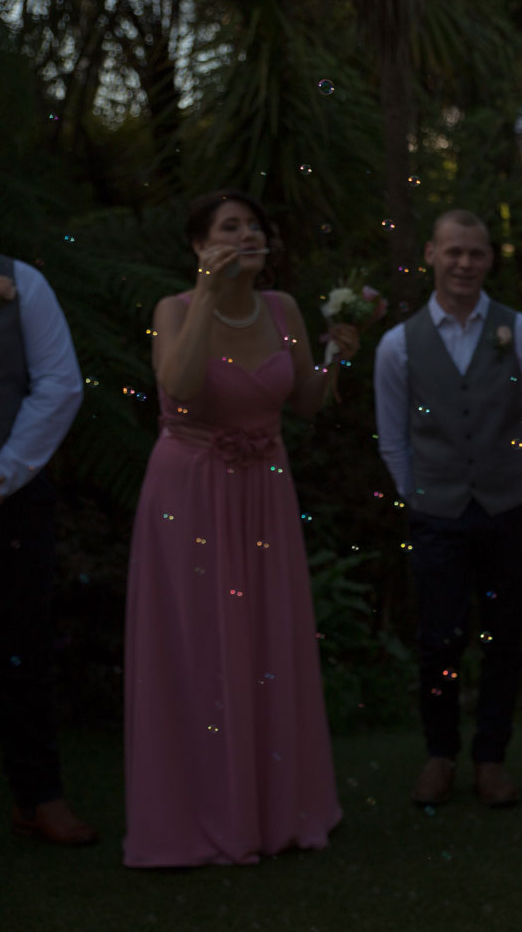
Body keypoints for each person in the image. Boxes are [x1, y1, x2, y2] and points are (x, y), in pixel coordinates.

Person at [124, 190, 354, 866]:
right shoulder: (173, 310)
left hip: (264, 493)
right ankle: (200, 808)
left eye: (256, 225)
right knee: (197, 642)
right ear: (199, 246)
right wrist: (204, 293)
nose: (249, 234)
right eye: (231, 228)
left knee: (265, 635)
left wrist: (337, 356)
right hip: (190, 494)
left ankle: (276, 804)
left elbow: (307, 403)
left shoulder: (282, 310)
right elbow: (182, 385)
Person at [373, 209, 522, 809]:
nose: (465, 263)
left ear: (489, 260)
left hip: (510, 508)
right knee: (438, 640)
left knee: (505, 639)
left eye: (475, 253)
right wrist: (419, 495)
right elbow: (392, 435)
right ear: (431, 254)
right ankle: (440, 755)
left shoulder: (520, 332)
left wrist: (512, 480)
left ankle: (492, 759)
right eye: (454, 252)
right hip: (436, 513)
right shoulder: (397, 346)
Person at [0, 251, 96, 847]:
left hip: (10, 497)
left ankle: (38, 797)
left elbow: (60, 384)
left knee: (20, 649)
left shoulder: (22, 280)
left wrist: (0, 478)